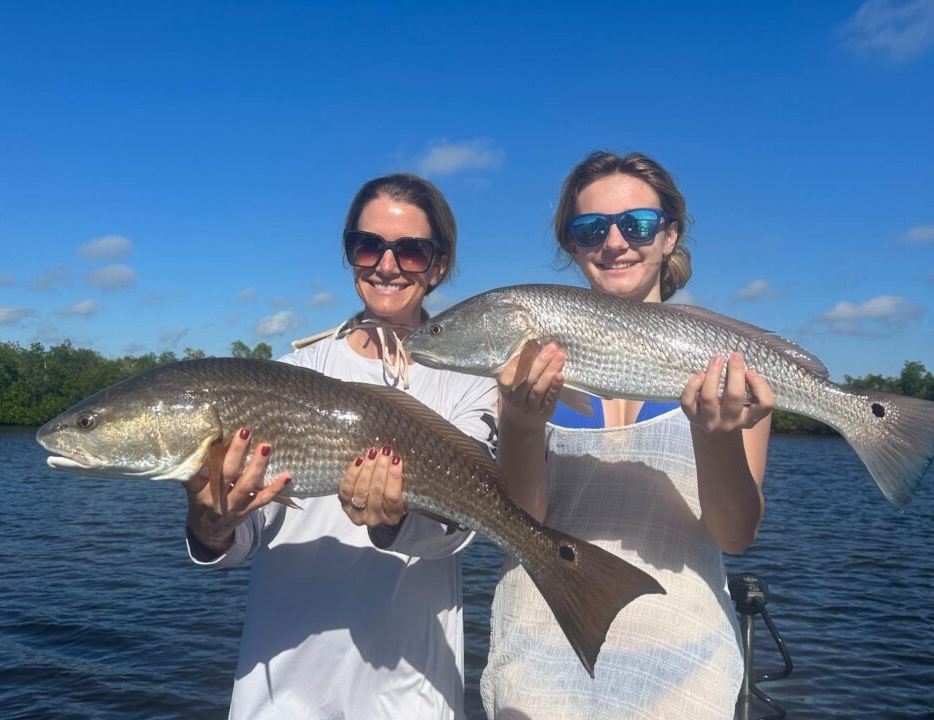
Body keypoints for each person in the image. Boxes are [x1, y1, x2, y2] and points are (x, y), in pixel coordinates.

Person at [183, 173, 498, 720]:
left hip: (412, 700)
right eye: (368, 244)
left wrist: (392, 521)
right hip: (279, 698)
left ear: (440, 265)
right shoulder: (287, 373)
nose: (387, 264)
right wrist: (211, 525)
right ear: (350, 253)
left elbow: (462, 528)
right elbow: (246, 534)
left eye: (413, 251)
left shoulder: (472, 382)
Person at [481, 151, 774, 719]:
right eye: (590, 229)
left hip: (684, 671)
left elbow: (735, 535)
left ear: (670, 235)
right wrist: (519, 424)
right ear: (571, 246)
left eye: (637, 224)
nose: (614, 242)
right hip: (538, 668)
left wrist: (714, 438)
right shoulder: (528, 362)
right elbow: (522, 521)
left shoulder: (728, 364)